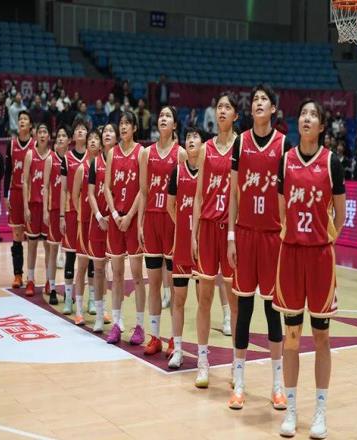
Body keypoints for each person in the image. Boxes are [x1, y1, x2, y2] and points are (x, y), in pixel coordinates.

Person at [273, 99, 346, 439]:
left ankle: (320, 413)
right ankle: (291, 411)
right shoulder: (286, 160)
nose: (307, 118)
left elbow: (340, 215)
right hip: (290, 255)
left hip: (319, 258)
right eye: (303, 113)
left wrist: (324, 239)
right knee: (291, 336)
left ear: (321, 126)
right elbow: (281, 209)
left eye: (313, 115)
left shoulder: (332, 162)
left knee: (321, 336)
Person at [226, 85, 286, 409]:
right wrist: (231, 237)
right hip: (246, 235)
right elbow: (234, 194)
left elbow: (286, 199)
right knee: (244, 311)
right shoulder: (241, 142)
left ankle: (278, 385)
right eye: (255, 100)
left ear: (273, 109)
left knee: (273, 313)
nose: (258, 103)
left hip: (273, 237)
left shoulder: (283, 145)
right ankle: (239, 383)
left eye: (264, 99)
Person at [191, 93, 239, 388]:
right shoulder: (206, 149)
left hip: (230, 231)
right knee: (204, 299)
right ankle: (203, 362)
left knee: (234, 302)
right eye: (219, 107)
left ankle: (237, 363)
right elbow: (198, 196)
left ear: (235, 115)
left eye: (227, 107)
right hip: (208, 228)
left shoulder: (241, 147)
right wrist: (193, 234)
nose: (222, 111)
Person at [137, 106, 187, 356]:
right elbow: (143, 191)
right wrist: (139, 223)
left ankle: (174, 340)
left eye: (168, 116)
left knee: (174, 287)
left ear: (175, 125)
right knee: (154, 283)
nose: (163, 118)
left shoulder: (181, 154)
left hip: (172, 221)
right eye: (161, 116)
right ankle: (155, 337)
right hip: (152, 221)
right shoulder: (146, 153)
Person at [105, 114, 146, 345]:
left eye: (127, 124)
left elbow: (143, 189)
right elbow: (107, 187)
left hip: (132, 219)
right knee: (117, 274)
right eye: (120, 124)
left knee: (138, 275)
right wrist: (114, 215)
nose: (123, 127)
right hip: (116, 219)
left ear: (135, 128)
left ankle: (139, 326)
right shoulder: (112, 153)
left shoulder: (141, 152)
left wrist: (130, 216)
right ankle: (117, 324)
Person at [166, 125, 202, 368]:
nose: (191, 140)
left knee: (202, 302)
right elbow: (170, 205)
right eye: (188, 137)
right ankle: (178, 350)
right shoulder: (177, 172)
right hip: (181, 245)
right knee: (178, 299)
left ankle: (201, 351)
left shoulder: (207, 172)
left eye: (195, 137)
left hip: (200, 245)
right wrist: (181, 224)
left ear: (202, 144)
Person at [59, 120, 94, 315]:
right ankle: (68, 298)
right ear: (73, 136)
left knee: (91, 257)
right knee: (71, 255)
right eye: (77, 129)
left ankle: (91, 299)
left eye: (83, 129)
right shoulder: (67, 158)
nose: (80, 131)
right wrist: (62, 215)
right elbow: (63, 189)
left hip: (90, 214)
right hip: (73, 213)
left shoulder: (93, 158)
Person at [71, 129, 101, 325]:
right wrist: (81, 214)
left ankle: (99, 308)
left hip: (99, 223)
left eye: (96, 139)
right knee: (81, 266)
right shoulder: (82, 169)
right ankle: (79, 310)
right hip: (85, 223)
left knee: (100, 268)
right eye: (90, 139)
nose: (92, 141)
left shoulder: (104, 167)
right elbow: (74, 196)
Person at [87, 125, 115, 332]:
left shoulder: (120, 161)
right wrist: (98, 216)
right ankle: (99, 313)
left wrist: (113, 216)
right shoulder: (95, 163)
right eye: (104, 131)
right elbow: (90, 194)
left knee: (116, 270)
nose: (106, 134)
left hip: (115, 221)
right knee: (98, 269)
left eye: (110, 131)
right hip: (98, 222)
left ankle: (113, 314)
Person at [4, 111, 36, 288]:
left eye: (25, 119)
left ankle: (32, 277)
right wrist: (5, 195)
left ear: (30, 125)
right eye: (20, 119)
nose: (22, 121)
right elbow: (7, 171)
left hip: (31, 194)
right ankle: (18, 275)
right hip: (16, 192)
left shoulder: (35, 144)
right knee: (17, 235)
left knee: (32, 236)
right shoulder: (11, 144)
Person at [22, 123, 51, 296]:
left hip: (47, 207)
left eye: (45, 132)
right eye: (39, 132)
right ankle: (31, 280)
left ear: (48, 136)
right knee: (32, 244)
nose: (42, 134)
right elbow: (25, 181)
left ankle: (49, 280)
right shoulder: (30, 154)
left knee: (48, 245)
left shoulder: (52, 156)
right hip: (33, 205)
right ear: (36, 135)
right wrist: (25, 206)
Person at [43, 125, 70, 305]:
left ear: (69, 140)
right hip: (54, 210)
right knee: (53, 250)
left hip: (68, 211)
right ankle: (52, 288)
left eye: (63, 135)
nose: (60, 138)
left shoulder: (71, 159)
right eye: (58, 135)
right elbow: (45, 187)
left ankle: (68, 291)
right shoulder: (50, 159)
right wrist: (45, 210)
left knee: (69, 253)